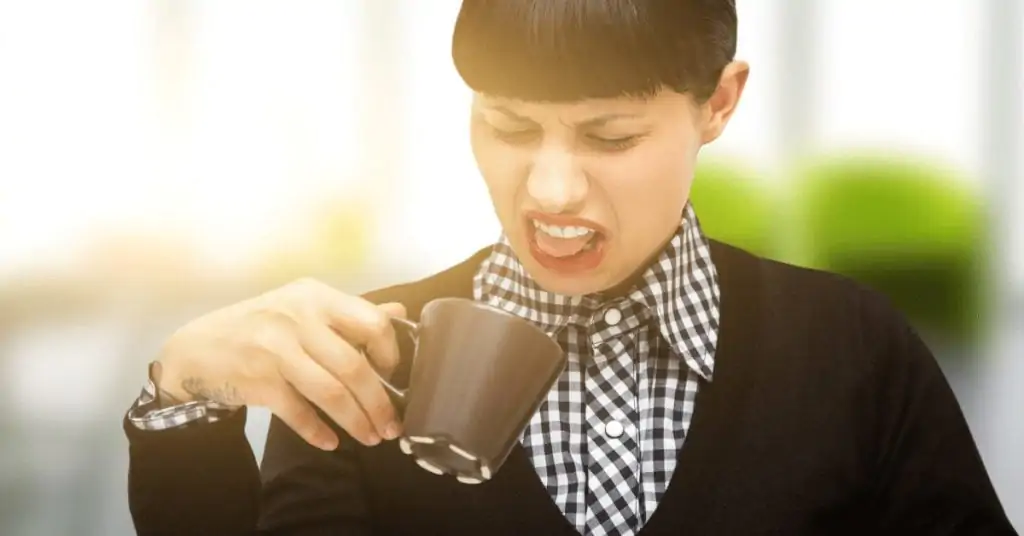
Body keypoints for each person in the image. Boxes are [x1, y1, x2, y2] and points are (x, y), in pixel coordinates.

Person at [123, 1, 1017, 535]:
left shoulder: (852, 349)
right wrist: (183, 395)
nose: (550, 190)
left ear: (720, 102)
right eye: (509, 126)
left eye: (611, 136)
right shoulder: (362, 354)